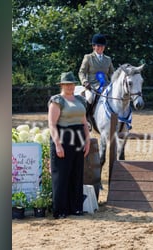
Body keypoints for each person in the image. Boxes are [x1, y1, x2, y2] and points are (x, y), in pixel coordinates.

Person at [48, 71, 91, 219]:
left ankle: (76, 208)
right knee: (61, 175)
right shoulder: (57, 100)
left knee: (76, 173)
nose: (70, 87)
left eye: (72, 84)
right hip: (63, 137)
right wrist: (58, 145)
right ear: (62, 85)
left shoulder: (80, 100)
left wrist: (87, 140)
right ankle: (60, 210)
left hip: (78, 138)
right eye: (67, 84)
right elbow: (52, 124)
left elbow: (84, 122)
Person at [78, 34, 115, 109]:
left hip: (106, 85)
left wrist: (114, 81)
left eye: (102, 46)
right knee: (89, 99)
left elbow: (112, 73)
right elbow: (81, 72)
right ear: (94, 46)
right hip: (92, 86)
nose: (100, 48)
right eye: (98, 46)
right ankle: (87, 117)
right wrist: (85, 82)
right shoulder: (88, 57)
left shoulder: (108, 59)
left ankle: (115, 118)